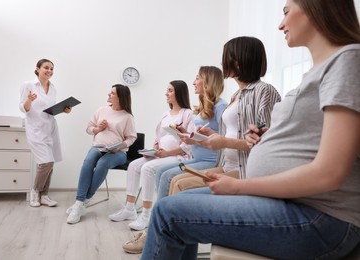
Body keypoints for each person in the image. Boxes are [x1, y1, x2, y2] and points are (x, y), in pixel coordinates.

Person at [141, 0, 360, 259]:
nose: (280, 24)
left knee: (168, 215)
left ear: (316, 7)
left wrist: (240, 187)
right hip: (298, 205)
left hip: (320, 218)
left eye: (286, 12)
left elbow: (330, 173)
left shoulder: (347, 60)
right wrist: (270, 136)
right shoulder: (322, 70)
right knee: (169, 205)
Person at [168, 36, 281, 197]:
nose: (222, 62)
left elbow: (268, 142)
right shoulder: (236, 95)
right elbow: (233, 133)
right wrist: (214, 136)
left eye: (226, 57)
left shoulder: (264, 91)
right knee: (176, 180)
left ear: (239, 61)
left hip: (245, 170)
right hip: (228, 165)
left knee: (181, 186)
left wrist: (224, 141)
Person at [108, 80, 194, 231]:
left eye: (170, 90)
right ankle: (129, 209)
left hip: (177, 156)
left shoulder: (188, 114)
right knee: (134, 165)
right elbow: (158, 138)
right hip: (160, 154)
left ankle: (147, 215)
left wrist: (166, 153)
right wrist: (153, 150)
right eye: (167, 90)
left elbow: (188, 144)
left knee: (147, 169)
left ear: (179, 93)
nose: (166, 93)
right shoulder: (166, 114)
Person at [66, 84, 137, 224]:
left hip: (118, 152)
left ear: (120, 97)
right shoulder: (101, 110)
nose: (109, 95)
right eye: (110, 92)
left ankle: (84, 201)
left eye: (112, 93)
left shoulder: (127, 116)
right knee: (88, 161)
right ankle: (80, 203)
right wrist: (98, 128)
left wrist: (119, 146)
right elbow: (88, 129)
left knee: (102, 163)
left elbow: (131, 138)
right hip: (98, 147)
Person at [154, 66, 227, 200]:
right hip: (197, 158)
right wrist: (186, 133)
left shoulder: (220, 106)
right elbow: (201, 136)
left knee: (167, 176)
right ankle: (161, 213)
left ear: (207, 81)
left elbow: (225, 138)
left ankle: (161, 215)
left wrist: (198, 137)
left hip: (211, 161)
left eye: (197, 78)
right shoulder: (204, 106)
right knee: (160, 172)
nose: (193, 82)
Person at [19, 59, 71, 208]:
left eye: (52, 69)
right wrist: (29, 100)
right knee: (45, 162)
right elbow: (23, 108)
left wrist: (63, 109)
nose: (49, 71)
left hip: (50, 128)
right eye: (46, 68)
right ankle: (35, 191)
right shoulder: (28, 85)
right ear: (37, 69)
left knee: (50, 162)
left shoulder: (53, 88)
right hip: (35, 129)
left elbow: (50, 110)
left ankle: (45, 195)